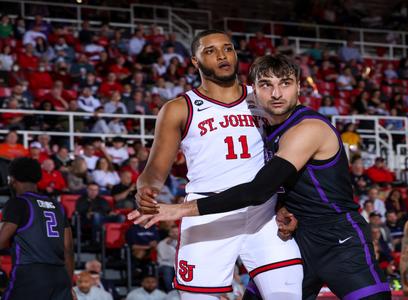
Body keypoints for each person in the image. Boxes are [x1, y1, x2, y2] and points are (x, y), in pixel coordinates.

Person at [130, 54, 390, 299]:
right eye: (266, 85)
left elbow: (257, 191)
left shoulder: (308, 128)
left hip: (338, 238)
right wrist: (283, 205)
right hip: (296, 236)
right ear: (254, 90)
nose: (276, 93)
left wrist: (179, 210)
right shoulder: (265, 127)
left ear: (299, 86)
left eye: (285, 84)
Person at [128, 30, 303, 299]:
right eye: (210, 51)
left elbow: (292, 154)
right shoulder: (180, 108)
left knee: (289, 294)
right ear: (195, 62)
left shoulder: (264, 97)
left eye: (228, 48)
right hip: (207, 214)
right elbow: (154, 169)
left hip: (264, 214)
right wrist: (146, 189)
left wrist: (288, 202)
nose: (222, 55)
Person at [0, 157, 74, 300]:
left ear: (12, 179)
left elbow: (1, 241)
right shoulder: (57, 206)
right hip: (59, 276)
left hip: (31, 273)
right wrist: (69, 286)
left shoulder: (18, 203)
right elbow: (68, 249)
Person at [157, 224, 179, 292]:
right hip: (166, 264)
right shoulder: (162, 243)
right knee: (168, 271)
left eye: (177, 232)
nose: (175, 234)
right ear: (169, 233)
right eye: (173, 232)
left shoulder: (182, 242)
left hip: (178, 265)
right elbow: (164, 257)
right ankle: (170, 292)